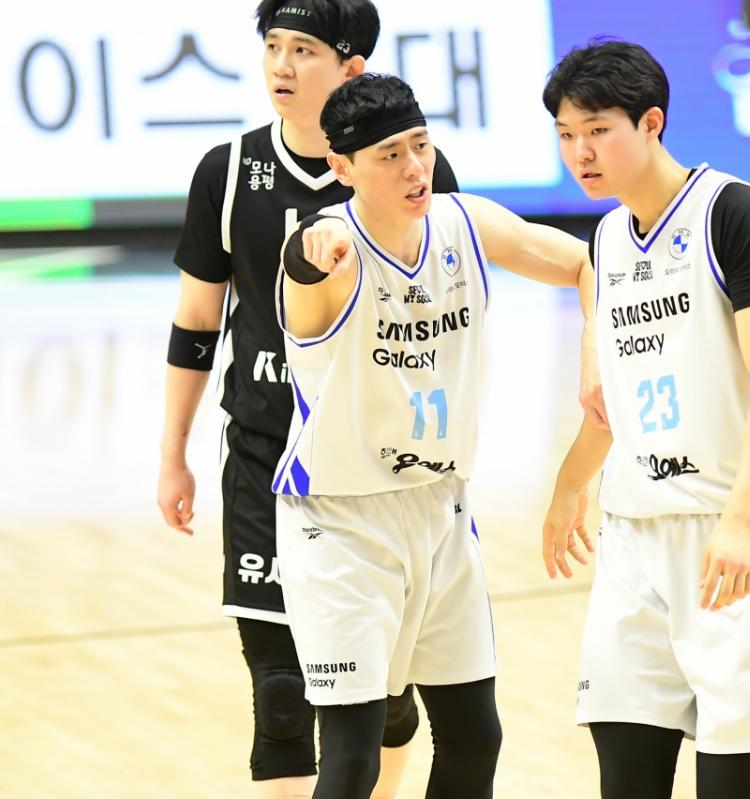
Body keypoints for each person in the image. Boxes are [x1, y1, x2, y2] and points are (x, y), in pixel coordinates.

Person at [156, 2, 458, 797]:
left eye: (304, 50)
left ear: (353, 67)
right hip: (264, 460)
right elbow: (196, 322)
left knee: (383, 701)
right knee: (282, 698)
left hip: (374, 472)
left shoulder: (412, 168)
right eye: (272, 47)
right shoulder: (227, 171)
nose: (281, 66)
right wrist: (172, 455)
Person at [272, 72, 597, 799]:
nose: (415, 167)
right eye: (389, 155)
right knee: (352, 759)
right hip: (339, 522)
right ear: (342, 167)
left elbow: (586, 263)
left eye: (420, 145)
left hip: (440, 510)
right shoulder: (329, 251)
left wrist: (594, 351)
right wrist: (309, 248)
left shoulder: (465, 223)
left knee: (475, 737)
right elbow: (300, 273)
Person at [539, 39, 750, 799]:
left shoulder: (732, 213)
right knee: (625, 778)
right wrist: (571, 485)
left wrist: (737, 522)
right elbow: (616, 401)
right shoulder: (604, 240)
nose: (581, 151)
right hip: (636, 535)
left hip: (740, 532)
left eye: (598, 129)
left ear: (652, 122)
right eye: (567, 135)